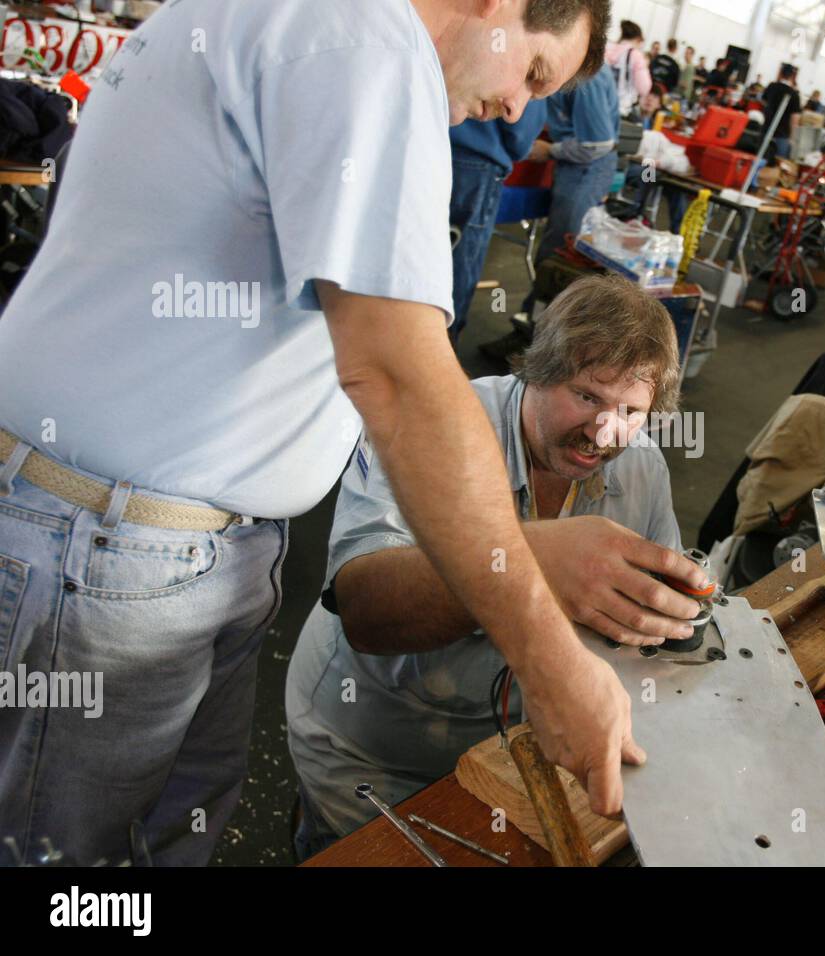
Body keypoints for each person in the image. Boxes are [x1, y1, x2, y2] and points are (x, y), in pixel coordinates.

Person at [0, 0, 668, 869]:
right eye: (533, 74)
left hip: (170, 541)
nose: (518, 110)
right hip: (113, 546)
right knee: (69, 870)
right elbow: (393, 375)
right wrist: (550, 663)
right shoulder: (365, 37)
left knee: (159, 845)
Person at [287, 275, 692, 858]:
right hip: (370, 750)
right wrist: (533, 560)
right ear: (537, 368)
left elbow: (645, 613)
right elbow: (365, 608)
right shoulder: (435, 430)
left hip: (512, 750)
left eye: (631, 411)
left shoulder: (642, 467)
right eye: (588, 397)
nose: (606, 432)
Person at [520, 63, 621, 317]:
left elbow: (596, 143)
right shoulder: (573, 70)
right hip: (576, 166)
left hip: (587, 168)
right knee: (556, 248)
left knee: (562, 255)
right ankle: (534, 327)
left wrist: (551, 150)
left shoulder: (586, 79)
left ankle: (539, 334)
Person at [448, 103, 548, 345]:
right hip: (476, 163)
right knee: (460, 265)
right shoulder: (527, 68)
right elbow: (520, 131)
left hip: (434, 147)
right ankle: (437, 354)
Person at [607, 19, 651, 116]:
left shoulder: (608, 49)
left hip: (597, 102)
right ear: (638, 39)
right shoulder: (636, 55)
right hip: (619, 107)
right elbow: (644, 88)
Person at [760, 64, 801, 160]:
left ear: (781, 73)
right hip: (782, 134)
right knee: (777, 162)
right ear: (792, 76)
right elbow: (794, 118)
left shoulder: (772, 86)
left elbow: (763, 101)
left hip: (766, 128)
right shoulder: (794, 94)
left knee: (761, 158)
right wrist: (792, 137)